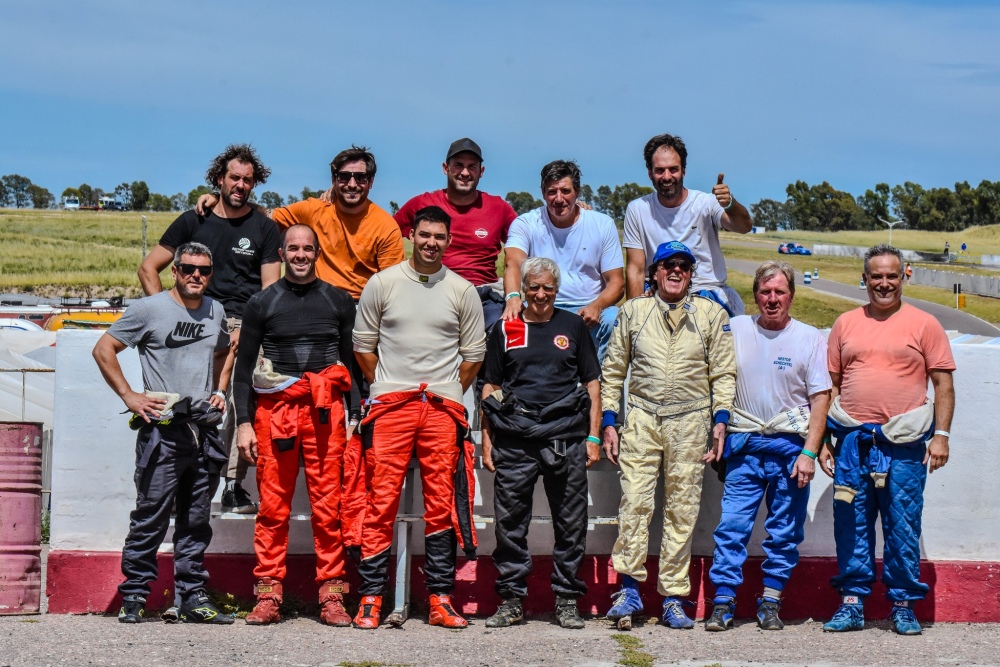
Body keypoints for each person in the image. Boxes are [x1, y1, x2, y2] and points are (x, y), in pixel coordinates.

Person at [351, 205, 486, 630]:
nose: (431, 243)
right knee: (380, 502)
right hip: (391, 406)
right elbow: (363, 347)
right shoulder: (383, 282)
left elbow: (473, 357)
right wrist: (391, 385)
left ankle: (441, 599)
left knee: (441, 505)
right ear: (412, 234)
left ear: (449, 241)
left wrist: (445, 387)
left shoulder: (463, 291)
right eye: (424, 235)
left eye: (439, 237)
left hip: (442, 408)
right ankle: (371, 598)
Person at [93, 242, 233, 625]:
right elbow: (104, 348)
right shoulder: (148, 309)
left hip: (202, 432)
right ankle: (135, 595)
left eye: (204, 270)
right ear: (175, 270)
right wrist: (129, 395)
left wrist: (220, 391)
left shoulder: (215, 310)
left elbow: (225, 350)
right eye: (188, 268)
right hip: (163, 432)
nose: (196, 276)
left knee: (196, 520)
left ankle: (192, 598)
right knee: (151, 516)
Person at [819, 244, 955, 636]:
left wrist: (941, 436)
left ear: (904, 276)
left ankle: (902, 605)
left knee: (903, 526)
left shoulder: (925, 324)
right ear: (864, 279)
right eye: (875, 276)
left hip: (905, 447)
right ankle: (852, 604)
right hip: (852, 446)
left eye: (891, 276)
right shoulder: (845, 324)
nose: (883, 283)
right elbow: (830, 386)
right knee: (852, 524)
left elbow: (943, 384)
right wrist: (825, 440)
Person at [601, 240, 736, 630]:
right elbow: (613, 372)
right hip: (642, 417)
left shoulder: (710, 314)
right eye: (668, 265)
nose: (676, 271)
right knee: (635, 504)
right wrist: (610, 420)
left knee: (682, 510)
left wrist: (720, 419)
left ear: (692, 274)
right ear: (654, 272)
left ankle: (674, 597)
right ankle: (628, 589)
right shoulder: (633, 311)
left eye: (684, 266)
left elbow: (723, 372)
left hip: (691, 419)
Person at [139, 144, 281, 514]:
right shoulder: (193, 220)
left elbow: (269, 290)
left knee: (239, 403)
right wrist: (166, 314)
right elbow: (148, 268)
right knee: (180, 401)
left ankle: (234, 486)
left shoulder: (265, 227)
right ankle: (168, 481)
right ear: (219, 179)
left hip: (243, 324)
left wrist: (249, 330)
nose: (241, 185)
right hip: (196, 321)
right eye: (234, 177)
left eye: (248, 180)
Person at [233, 224, 361, 626]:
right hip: (276, 414)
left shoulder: (339, 300)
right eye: (293, 248)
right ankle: (268, 594)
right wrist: (242, 423)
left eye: (308, 248)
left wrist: (356, 417)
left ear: (317, 252)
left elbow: (352, 365)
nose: (301, 255)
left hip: (326, 414)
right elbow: (243, 369)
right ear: (283, 254)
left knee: (330, 510)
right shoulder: (261, 302)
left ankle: (332, 596)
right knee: (272, 509)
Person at [704, 260, 832, 632]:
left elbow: (820, 399)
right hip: (744, 446)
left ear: (791, 295)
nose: (772, 299)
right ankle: (724, 600)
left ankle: (771, 600)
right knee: (731, 527)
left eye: (779, 292)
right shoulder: (737, 327)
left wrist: (810, 451)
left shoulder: (809, 338)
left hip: (790, 451)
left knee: (785, 531)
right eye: (764, 292)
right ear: (754, 295)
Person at [480, 257, 601, 630]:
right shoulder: (506, 327)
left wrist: (593, 436)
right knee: (510, 524)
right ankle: (512, 600)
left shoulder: (573, 326)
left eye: (548, 287)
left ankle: (566, 600)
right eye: (533, 286)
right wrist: (487, 439)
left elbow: (593, 383)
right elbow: (490, 387)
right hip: (514, 439)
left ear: (557, 288)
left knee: (571, 523)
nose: (541, 294)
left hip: (565, 437)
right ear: (524, 288)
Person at [197, 145, 405, 301]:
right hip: (313, 297)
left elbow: (391, 289)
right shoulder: (314, 209)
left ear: (371, 182)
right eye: (344, 177)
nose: (352, 184)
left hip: (360, 304)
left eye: (360, 178)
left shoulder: (385, 226)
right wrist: (219, 201)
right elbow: (267, 216)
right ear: (333, 180)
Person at [502, 160, 624, 360]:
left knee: (613, 319)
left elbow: (617, 282)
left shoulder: (602, 224)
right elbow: (513, 263)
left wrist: (597, 306)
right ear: (543, 193)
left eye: (565, 191)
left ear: (577, 191)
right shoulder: (526, 223)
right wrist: (513, 297)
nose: (559, 199)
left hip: (589, 308)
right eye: (552, 192)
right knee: (509, 320)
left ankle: (604, 388)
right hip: (542, 304)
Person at [392, 138, 518, 333]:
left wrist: (576, 212)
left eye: (472, 167)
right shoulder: (422, 203)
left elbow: (529, 238)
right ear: (446, 168)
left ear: (481, 172)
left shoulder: (498, 208)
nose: (465, 173)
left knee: (506, 333)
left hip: (483, 295)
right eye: (458, 165)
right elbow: (384, 231)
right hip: (432, 290)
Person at [622, 133, 753, 315]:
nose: (667, 176)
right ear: (650, 173)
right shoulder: (637, 209)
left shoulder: (706, 203)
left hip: (704, 291)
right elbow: (635, 269)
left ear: (683, 170)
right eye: (660, 170)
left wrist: (730, 204)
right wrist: (634, 315)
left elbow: (744, 226)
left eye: (673, 169)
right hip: (658, 290)